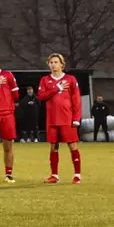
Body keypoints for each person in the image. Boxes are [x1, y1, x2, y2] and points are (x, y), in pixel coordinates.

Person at [39, 54, 83, 184]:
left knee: (72, 145)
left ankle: (77, 175)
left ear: (62, 64)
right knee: (53, 146)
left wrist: (76, 118)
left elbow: (76, 99)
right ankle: (54, 175)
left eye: (56, 62)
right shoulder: (45, 80)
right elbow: (41, 97)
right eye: (51, 62)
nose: (53, 64)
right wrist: (57, 88)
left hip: (67, 118)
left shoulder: (70, 79)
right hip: (52, 119)